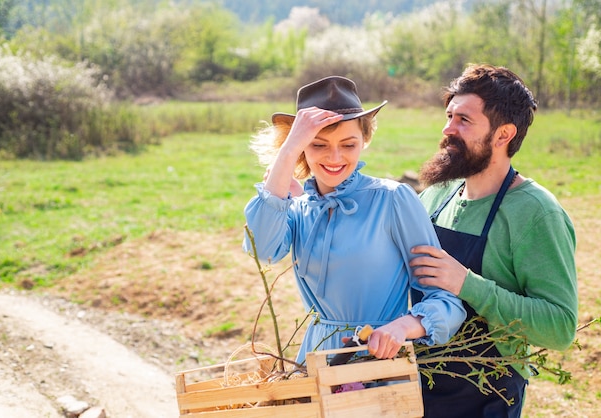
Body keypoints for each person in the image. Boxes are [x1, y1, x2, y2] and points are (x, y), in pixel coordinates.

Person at [243, 76, 466, 365]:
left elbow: (447, 303)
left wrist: (400, 328)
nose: (334, 157)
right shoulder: (298, 208)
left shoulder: (392, 200)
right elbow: (261, 249)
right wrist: (286, 155)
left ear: (365, 140)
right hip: (315, 361)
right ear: (301, 147)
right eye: (318, 145)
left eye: (348, 145)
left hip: (377, 362)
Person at [409, 64, 579, 417]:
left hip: (486, 395)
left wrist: (467, 284)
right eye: (449, 116)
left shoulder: (535, 213)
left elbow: (560, 327)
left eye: (464, 121)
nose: (447, 129)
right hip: (415, 386)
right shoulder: (436, 195)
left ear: (503, 135)